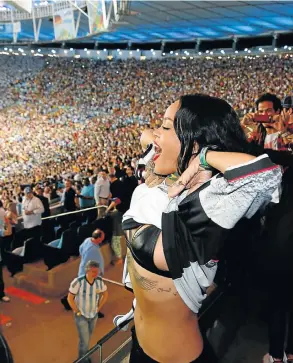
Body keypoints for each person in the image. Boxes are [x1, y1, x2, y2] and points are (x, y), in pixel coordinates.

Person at [119, 94, 282, 363]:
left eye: (166, 126)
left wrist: (204, 158)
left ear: (194, 145)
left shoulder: (207, 205)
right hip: (139, 345)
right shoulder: (159, 177)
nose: (156, 134)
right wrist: (161, 136)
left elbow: (266, 176)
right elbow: (146, 137)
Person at [67, 260, 108, 363]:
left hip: (93, 315)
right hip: (82, 316)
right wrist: (77, 311)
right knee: (84, 340)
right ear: (87, 271)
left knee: (87, 337)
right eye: (93, 272)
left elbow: (105, 294)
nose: (96, 274)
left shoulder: (99, 281)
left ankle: (84, 356)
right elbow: (70, 298)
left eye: (97, 271)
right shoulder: (78, 282)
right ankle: (82, 360)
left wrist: (98, 308)